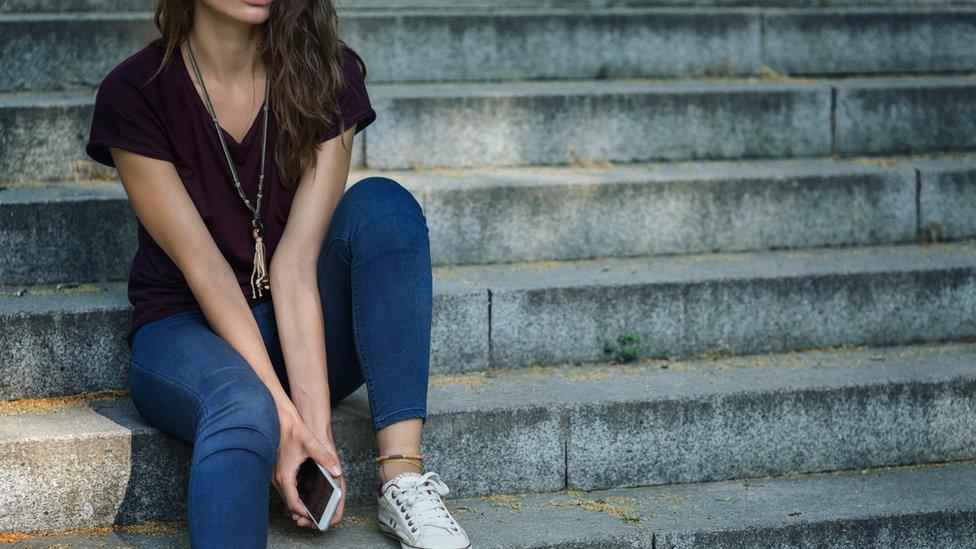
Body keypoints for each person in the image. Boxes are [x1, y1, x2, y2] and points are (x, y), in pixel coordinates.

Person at [84, 1, 470, 548]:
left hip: (298, 324)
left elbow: (294, 266)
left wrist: (316, 435)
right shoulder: (136, 93)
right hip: (188, 332)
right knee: (245, 410)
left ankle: (403, 480)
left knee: (385, 207)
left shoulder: (325, 75)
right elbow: (207, 273)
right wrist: (284, 423)